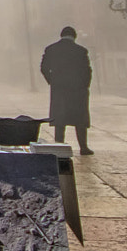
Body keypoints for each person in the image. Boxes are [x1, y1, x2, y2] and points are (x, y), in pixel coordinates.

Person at [40, 25, 93, 155]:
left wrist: (52, 81)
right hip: (77, 89)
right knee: (79, 119)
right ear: (74, 36)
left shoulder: (51, 49)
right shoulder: (81, 51)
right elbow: (87, 71)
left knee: (60, 119)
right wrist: (85, 85)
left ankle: (59, 147)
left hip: (59, 89)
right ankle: (83, 147)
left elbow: (43, 68)